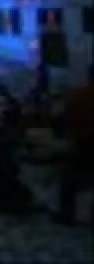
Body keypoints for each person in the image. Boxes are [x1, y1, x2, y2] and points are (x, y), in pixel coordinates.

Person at [53, 65, 94, 226]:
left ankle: (67, 214)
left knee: (70, 180)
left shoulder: (80, 94)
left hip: (83, 140)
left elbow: (68, 117)